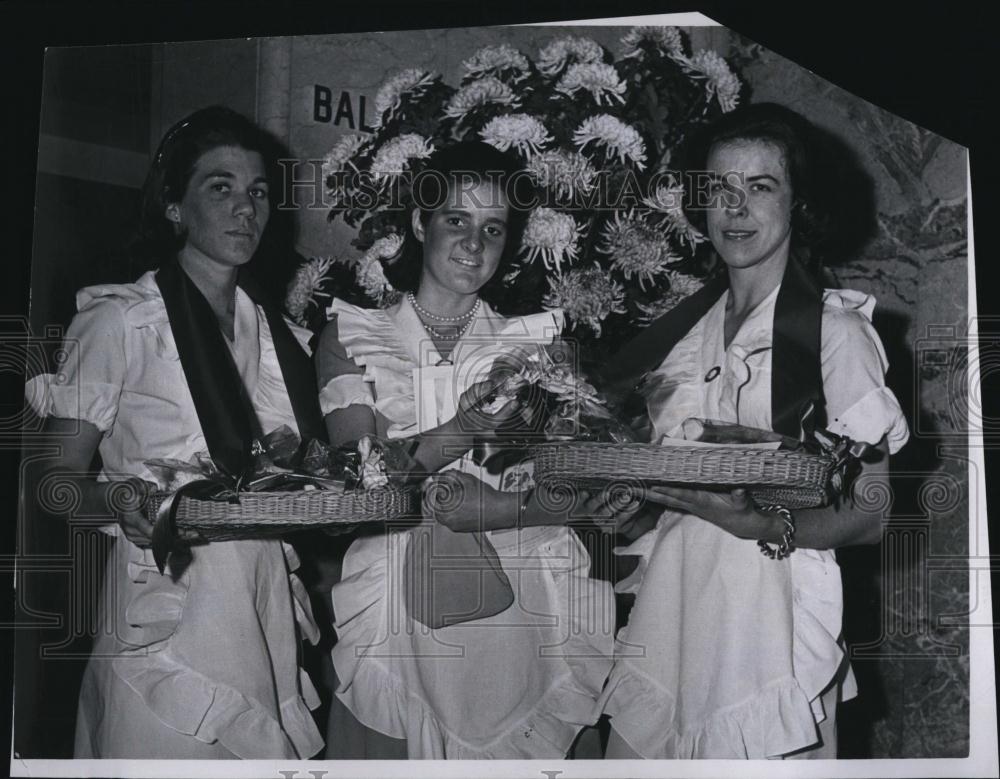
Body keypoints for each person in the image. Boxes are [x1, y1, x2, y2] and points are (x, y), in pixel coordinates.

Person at [597, 103, 910, 759]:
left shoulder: (835, 333)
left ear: (798, 204)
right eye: (720, 188)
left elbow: (874, 510)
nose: (735, 207)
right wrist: (626, 511)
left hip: (773, 627)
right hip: (673, 615)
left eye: (760, 186)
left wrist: (761, 524)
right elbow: (672, 497)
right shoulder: (681, 335)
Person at [26, 106, 326, 759]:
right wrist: (122, 500)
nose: (244, 208)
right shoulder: (124, 324)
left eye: (257, 192)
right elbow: (52, 485)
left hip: (262, 605)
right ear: (174, 206)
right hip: (165, 611)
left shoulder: (282, 339)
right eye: (220, 187)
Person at [317, 141, 627, 759]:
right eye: (455, 219)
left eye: (493, 228)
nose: (473, 243)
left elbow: (575, 489)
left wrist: (508, 510)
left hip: (528, 609)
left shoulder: (535, 346)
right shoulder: (355, 335)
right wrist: (464, 426)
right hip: (403, 609)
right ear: (418, 222)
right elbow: (363, 489)